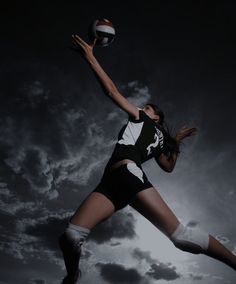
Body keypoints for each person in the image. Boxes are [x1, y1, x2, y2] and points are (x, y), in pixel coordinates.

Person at [58, 35, 236, 284]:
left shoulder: (142, 118)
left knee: (181, 236)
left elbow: (111, 91)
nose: (143, 107)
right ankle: (73, 274)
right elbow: (169, 166)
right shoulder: (162, 139)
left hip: (127, 173)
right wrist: (176, 141)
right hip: (111, 181)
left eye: (148, 107)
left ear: (154, 118)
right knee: (70, 236)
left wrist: (90, 58)